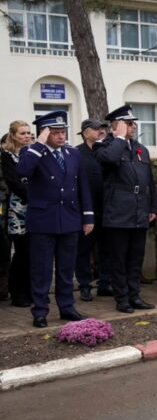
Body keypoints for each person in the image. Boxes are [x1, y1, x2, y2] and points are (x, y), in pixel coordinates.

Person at [17, 111, 93, 327]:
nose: (61, 137)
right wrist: (39, 144)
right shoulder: (31, 152)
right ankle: (40, 311)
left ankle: (67, 307)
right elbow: (23, 170)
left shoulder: (72, 153)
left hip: (69, 218)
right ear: (44, 133)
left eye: (63, 132)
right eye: (56, 133)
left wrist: (88, 216)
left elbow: (82, 186)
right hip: (43, 220)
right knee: (41, 270)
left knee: (66, 268)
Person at [95, 105, 157, 314]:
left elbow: (150, 181)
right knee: (119, 259)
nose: (133, 127)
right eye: (128, 123)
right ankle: (122, 299)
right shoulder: (104, 146)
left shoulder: (140, 148)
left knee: (135, 258)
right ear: (117, 125)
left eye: (133, 123)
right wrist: (119, 138)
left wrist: (152, 206)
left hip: (139, 209)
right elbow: (109, 159)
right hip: (118, 212)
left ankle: (135, 295)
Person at [74, 119, 108, 302]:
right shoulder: (77, 152)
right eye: (96, 129)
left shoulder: (105, 151)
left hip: (106, 207)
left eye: (102, 128)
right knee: (84, 250)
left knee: (106, 248)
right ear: (86, 132)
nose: (101, 131)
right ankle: (85, 285)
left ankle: (104, 282)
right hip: (86, 209)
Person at [2, 121, 32, 308]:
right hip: (17, 210)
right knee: (21, 252)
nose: (27, 136)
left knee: (32, 253)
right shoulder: (6, 156)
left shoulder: (32, 153)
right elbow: (14, 182)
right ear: (13, 135)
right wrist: (34, 197)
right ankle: (17, 293)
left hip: (35, 210)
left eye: (29, 133)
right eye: (22, 133)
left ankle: (30, 291)